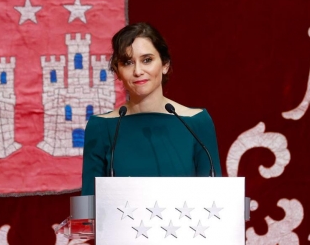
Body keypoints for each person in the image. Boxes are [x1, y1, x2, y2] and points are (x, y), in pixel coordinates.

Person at [81, 22, 222, 196]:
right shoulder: (101, 127)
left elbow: (215, 200)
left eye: (147, 60)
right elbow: (87, 207)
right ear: (117, 71)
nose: (138, 71)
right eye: (127, 62)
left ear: (165, 65)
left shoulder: (197, 122)